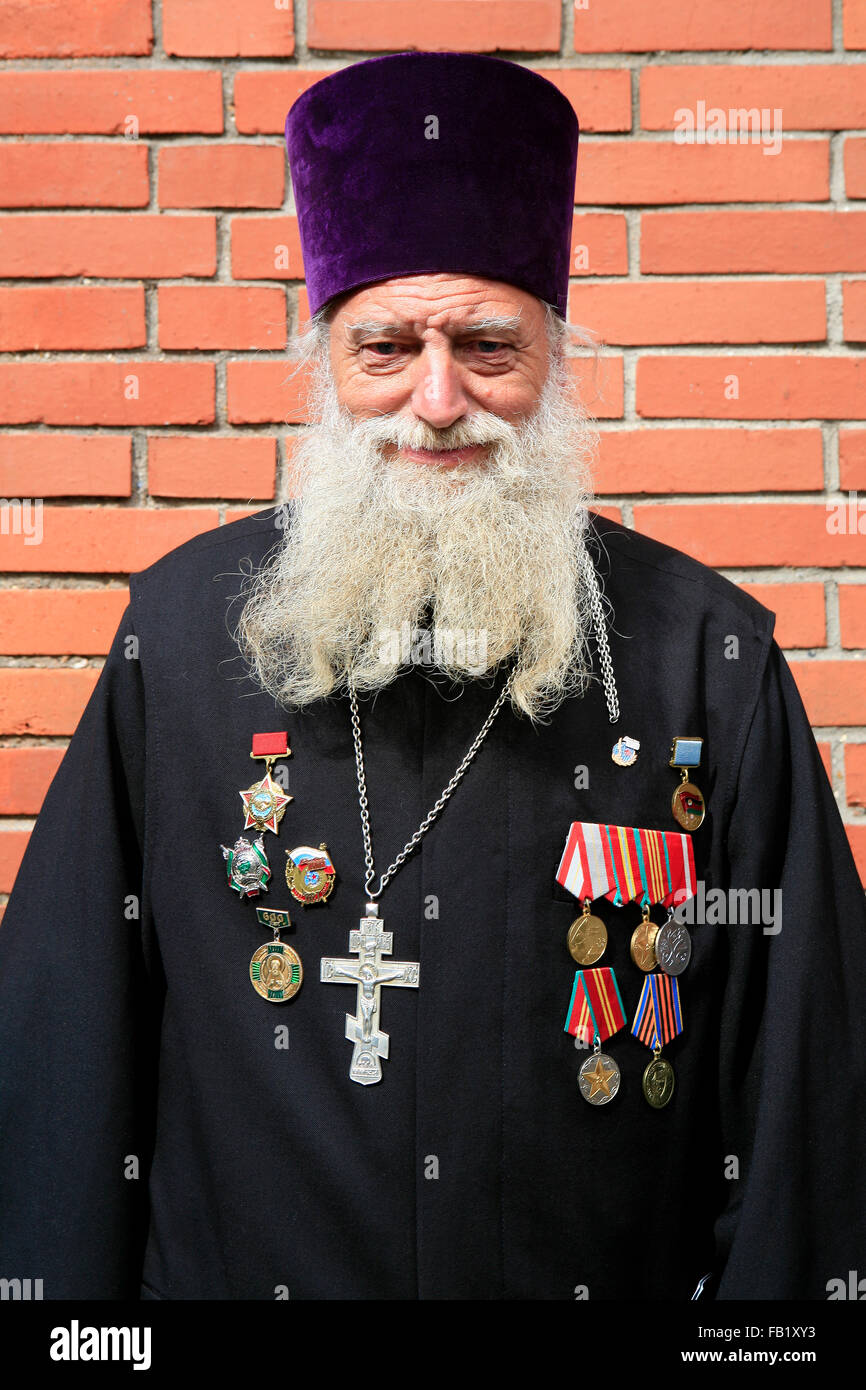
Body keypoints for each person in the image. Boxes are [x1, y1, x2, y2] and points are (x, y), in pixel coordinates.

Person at [1, 51, 864, 1302]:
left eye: (486, 344)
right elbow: (61, 1071)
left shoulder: (704, 659)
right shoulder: (177, 641)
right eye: (387, 345)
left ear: (553, 357)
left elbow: (805, 1117)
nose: (438, 399)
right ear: (326, 360)